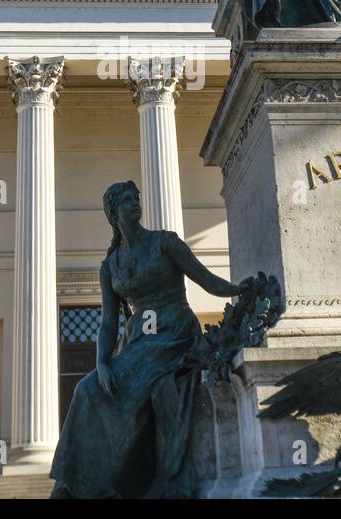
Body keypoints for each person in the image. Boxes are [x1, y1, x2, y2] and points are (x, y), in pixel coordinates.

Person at [49, 181, 243, 498]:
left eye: (135, 197)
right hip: (139, 342)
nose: (134, 203)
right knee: (88, 388)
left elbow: (206, 280)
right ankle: (76, 483)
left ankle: (97, 484)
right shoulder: (110, 266)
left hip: (174, 333)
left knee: (124, 386)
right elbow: (108, 322)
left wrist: (239, 290)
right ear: (113, 213)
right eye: (125, 200)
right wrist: (101, 362)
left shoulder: (165, 243)